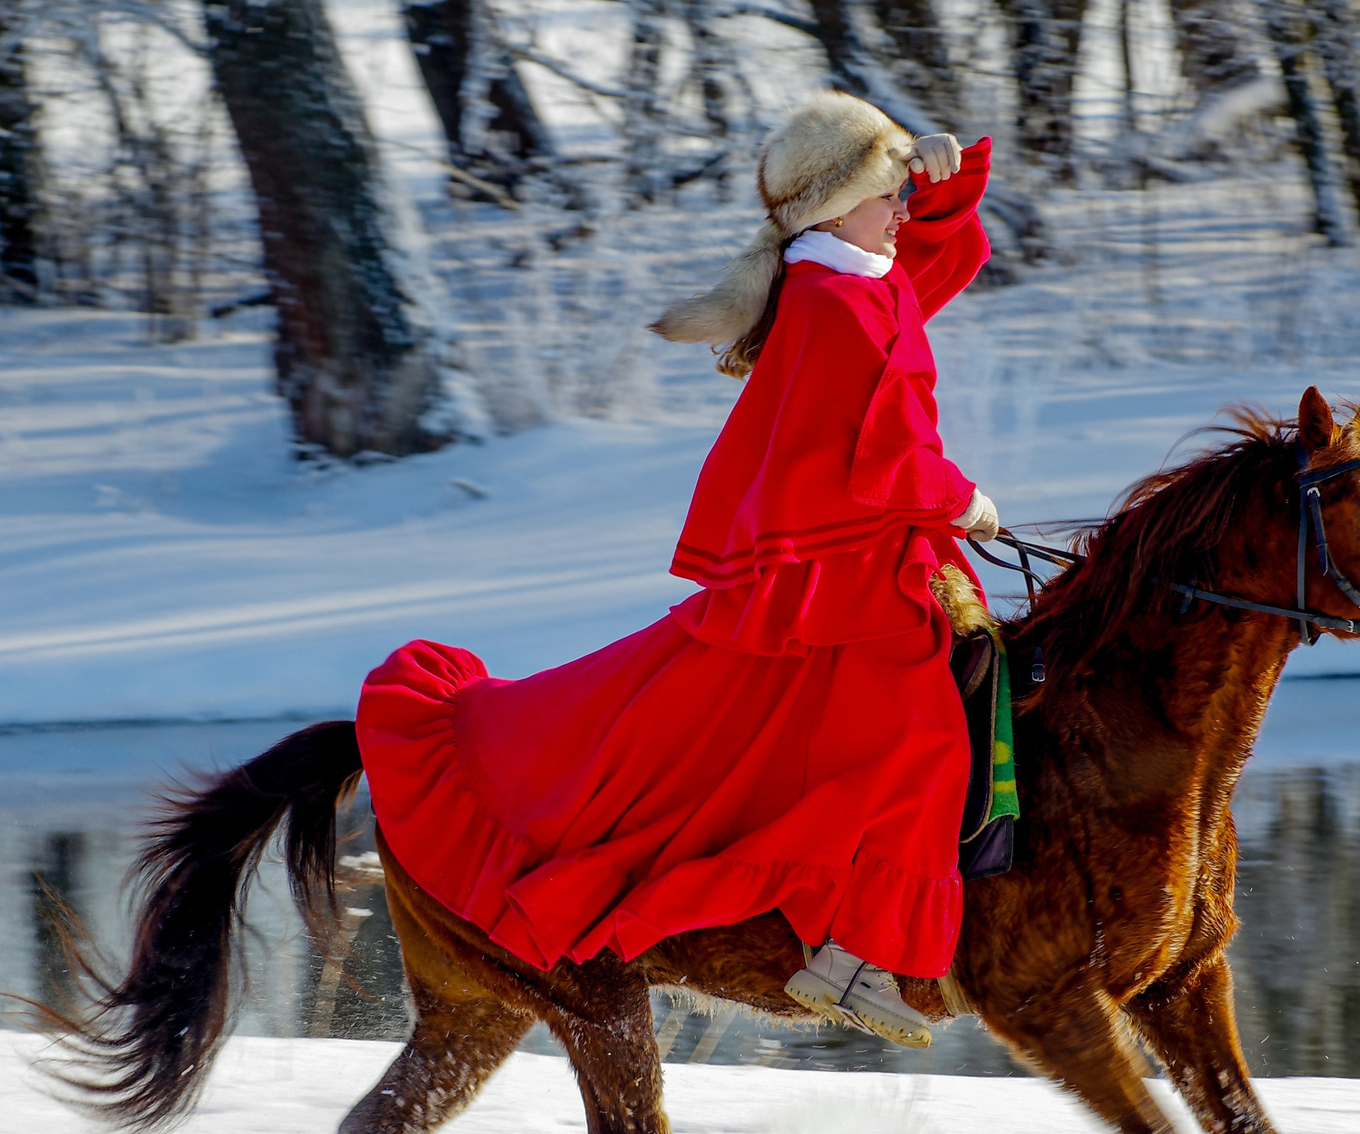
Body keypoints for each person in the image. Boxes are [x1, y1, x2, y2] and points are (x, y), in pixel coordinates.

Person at [358, 91, 1001, 1047]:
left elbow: (928, 271)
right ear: (835, 208)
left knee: (904, 742)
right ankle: (849, 950)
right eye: (887, 191)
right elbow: (879, 451)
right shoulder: (832, 302)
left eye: (901, 192)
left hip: (868, 561)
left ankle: (857, 944)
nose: (901, 210)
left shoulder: (858, 278)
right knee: (926, 745)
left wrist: (938, 184)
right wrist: (960, 499)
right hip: (850, 568)